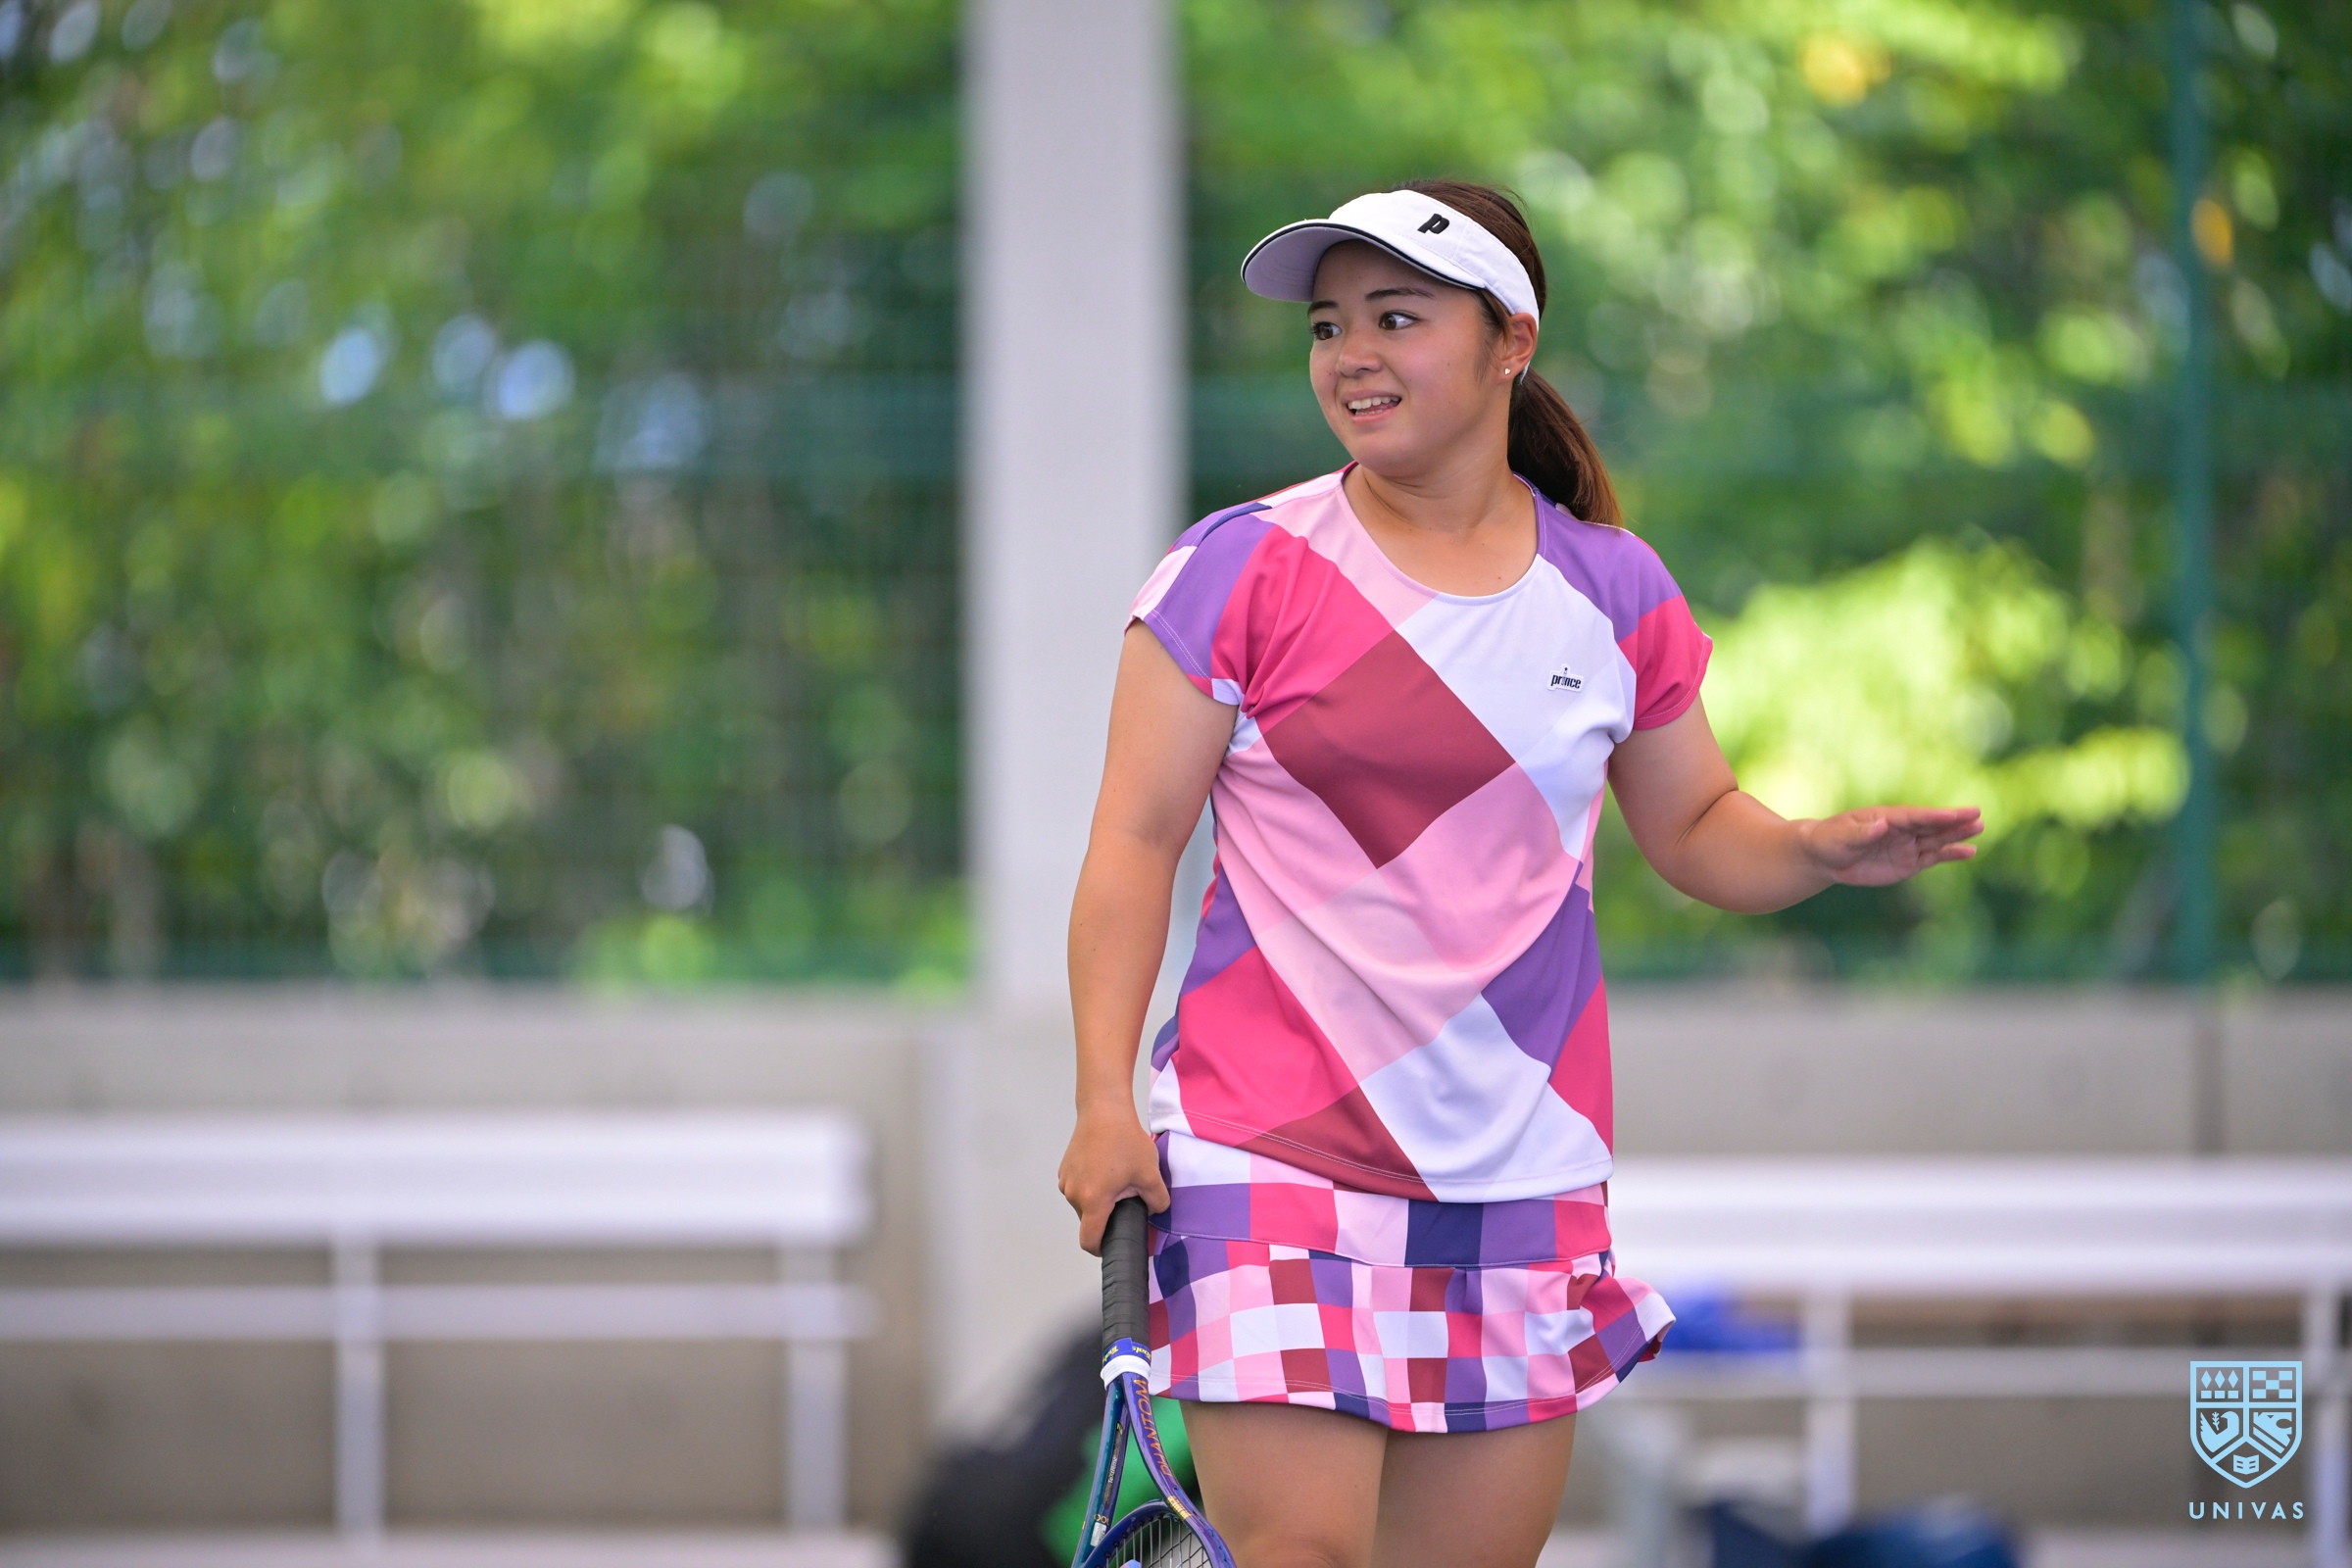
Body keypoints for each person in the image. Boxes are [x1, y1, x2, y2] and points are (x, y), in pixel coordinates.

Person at [1057, 180, 1982, 1568]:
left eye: (1397, 318)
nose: (1351, 355)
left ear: (1512, 341)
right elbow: (1133, 842)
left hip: (1520, 1173)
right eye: (1327, 326)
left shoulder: (1614, 592)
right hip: (1264, 1151)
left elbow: (1696, 827)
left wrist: (1813, 851)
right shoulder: (1236, 571)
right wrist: (1100, 1101)